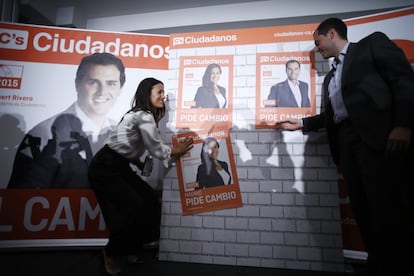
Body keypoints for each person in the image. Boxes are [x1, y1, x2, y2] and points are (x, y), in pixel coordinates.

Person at [275, 18, 414, 275]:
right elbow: (334, 115)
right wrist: (302, 124)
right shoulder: (330, 79)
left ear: (331, 33)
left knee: (389, 211)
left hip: (379, 142)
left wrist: (404, 124)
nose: (317, 49)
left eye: (318, 42)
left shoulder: (371, 46)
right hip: (348, 146)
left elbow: (404, 80)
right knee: (365, 212)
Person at [88, 77, 193, 274]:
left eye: (164, 92)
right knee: (133, 207)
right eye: (159, 92)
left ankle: (130, 248)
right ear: (147, 94)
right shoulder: (143, 116)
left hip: (117, 164)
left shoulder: (140, 115)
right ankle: (110, 253)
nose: (164, 96)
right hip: (105, 168)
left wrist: (135, 160)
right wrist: (176, 150)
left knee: (149, 200)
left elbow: (125, 142)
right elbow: (156, 149)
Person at [7, 52, 125, 189]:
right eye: (93, 82)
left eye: (111, 84)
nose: (102, 92)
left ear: (120, 89)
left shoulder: (121, 133)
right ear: (77, 85)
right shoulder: (43, 134)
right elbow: (22, 200)